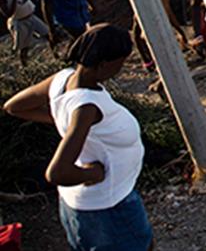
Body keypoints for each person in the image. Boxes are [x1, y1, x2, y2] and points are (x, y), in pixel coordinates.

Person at [4, 25, 153, 251]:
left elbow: (14, 106)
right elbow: (57, 172)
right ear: (104, 64)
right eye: (120, 62)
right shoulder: (86, 107)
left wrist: (60, 119)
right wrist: (91, 173)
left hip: (83, 205)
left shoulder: (62, 80)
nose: (121, 68)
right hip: (107, 209)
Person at [1, 0, 50, 66]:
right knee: (24, 47)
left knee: (48, 34)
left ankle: (56, 54)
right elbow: (8, 14)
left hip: (31, 16)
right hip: (19, 22)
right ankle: (24, 65)